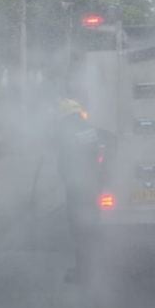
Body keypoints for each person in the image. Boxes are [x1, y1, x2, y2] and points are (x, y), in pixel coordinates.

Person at [55, 98, 107, 283]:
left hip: (77, 187)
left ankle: (84, 272)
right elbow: (96, 155)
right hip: (92, 186)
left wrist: (66, 178)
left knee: (79, 229)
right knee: (91, 227)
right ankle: (96, 267)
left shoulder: (67, 131)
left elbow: (64, 161)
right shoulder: (89, 128)